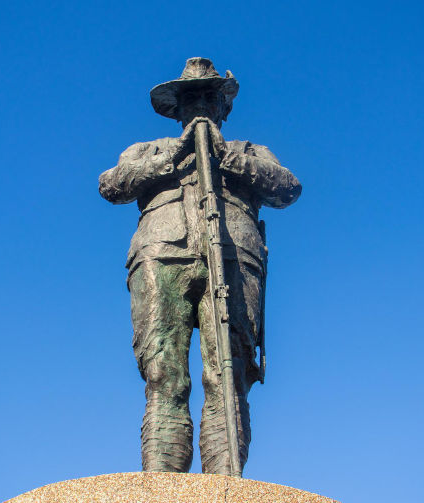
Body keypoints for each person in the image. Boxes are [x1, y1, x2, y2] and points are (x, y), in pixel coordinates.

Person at [98, 57, 301, 475]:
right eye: (191, 98)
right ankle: (161, 487)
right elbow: (111, 185)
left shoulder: (249, 152)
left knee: (228, 376)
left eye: (210, 96)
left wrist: (225, 157)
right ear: (177, 109)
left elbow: (287, 188)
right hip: (162, 254)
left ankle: (225, 486)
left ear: (225, 107)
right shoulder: (148, 150)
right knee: (163, 374)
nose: (201, 105)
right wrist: (177, 155)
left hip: (233, 255)